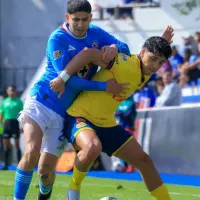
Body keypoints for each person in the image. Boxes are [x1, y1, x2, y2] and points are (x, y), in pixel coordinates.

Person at [13, 0, 130, 199]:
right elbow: (68, 81)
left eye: (85, 19)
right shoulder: (57, 38)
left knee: (45, 171)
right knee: (31, 151)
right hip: (41, 100)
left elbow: (124, 48)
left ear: (90, 18)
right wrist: (104, 87)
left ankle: (44, 192)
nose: (80, 24)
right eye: (75, 19)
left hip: (63, 113)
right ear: (67, 18)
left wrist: (114, 48)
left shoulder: (96, 33)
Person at [51, 27, 173, 200]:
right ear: (142, 52)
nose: (155, 66)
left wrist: (163, 41)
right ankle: (73, 190)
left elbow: (153, 53)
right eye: (153, 59)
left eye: (160, 63)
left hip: (106, 123)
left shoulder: (146, 69)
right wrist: (62, 78)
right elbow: (87, 55)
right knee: (92, 147)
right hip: (80, 117)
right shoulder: (123, 62)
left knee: (144, 161)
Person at [0, 86, 23, 170]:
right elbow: (1, 113)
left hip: (15, 124)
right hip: (6, 124)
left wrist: (22, 126)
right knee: (6, 145)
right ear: (7, 91)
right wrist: (1, 124)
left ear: (15, 91)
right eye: (10, 90)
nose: (12, 92)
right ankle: (6, 165)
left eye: (13, 90)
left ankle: (20, 165)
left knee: (17, 144)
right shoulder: (4, 102)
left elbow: (22, 114)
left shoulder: (18, 101)